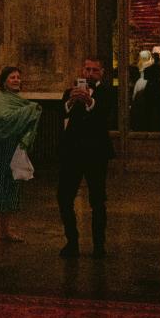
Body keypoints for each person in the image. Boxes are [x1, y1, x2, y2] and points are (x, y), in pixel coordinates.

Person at [58, 56, 115, 259]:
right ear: (82, 71)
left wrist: (90, 102)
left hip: (96, 154)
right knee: (64, 198)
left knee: (97, 201)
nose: (89, 74)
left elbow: (106, 113)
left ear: (101, 72)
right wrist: (71, 101)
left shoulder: (108, 92)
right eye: (87, 70)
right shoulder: (70, 92)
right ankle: (71, 241)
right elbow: (61, 114)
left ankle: (99, 245)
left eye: (94, 70)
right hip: (72, 153)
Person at [0, 65, 41, 247]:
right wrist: (29, 110)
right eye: (12, 77)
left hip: (14, 147)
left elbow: (25, 123)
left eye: (18, 77)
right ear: (4, 81)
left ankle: (6, 229)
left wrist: (29, 110)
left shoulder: (20, 101)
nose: (16, 80)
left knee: (11, 187)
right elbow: (1, 118)